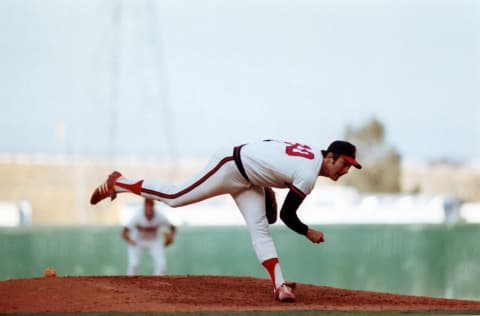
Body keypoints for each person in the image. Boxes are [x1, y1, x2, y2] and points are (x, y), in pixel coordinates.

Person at [90, 139, 362, 302]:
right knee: (175, 197)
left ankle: (280, 286)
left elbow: (269, 147)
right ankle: (120, 183)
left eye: (350, 165)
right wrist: (307, 232)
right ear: (329, 157)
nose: (346, 169)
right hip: (230, 166)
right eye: (344, 163)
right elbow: (287, 216)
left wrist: (265, 183)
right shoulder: (308, 173)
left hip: (249, 179)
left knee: (260, 229)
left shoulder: (310, 154)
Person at [121, 198, 176, 276]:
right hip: (137, 241)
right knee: (133, 265)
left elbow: (172, 227)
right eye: (148, 205)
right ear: (144, 206)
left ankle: (157, 284)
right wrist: (129, 239)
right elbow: (124, 231)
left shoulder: (159, 215)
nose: (150, 208)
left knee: (161, 265)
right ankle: (130, 285)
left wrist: (171, 234)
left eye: (151, 205)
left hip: (154, 241)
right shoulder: (137, 215)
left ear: (154, 206)